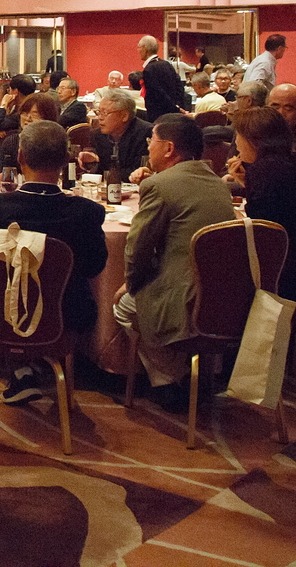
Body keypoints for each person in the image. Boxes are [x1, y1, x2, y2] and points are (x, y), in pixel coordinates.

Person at [0, 120, 108, 402]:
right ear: (66, 160)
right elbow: (95, 266)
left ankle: (22, 369)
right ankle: (34, 367)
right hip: (64, 319)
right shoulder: (86, 212)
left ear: (20, 157)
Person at [113, 114, 235, 411]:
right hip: (225, 295)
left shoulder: (160, 185)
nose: (148, 147)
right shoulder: (217, 182)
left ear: (168, 148)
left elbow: (137, 250)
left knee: (123, 305)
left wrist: (131, 284)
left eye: (151, 141)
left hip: (185, 297)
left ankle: (167, 380)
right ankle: (192, 378)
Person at [224, 107, 296, 302]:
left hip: (290, 273)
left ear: (254, 140)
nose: (237, 144)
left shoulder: (264, 171)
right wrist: (246, 182)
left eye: (238, 136)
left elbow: (264, 231)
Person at [79, 89, 151, 182]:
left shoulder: (145, 133)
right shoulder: (97, 135)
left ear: (124, 116)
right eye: (99, 112)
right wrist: (91, 161)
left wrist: (108, 175)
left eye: (105, 113)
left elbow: (139, 171)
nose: (100, 117)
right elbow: (98, 171)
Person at [139, 35, 187, 120]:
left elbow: (158, 93)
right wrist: (177, 106)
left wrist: (175, 108)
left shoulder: (149, 69)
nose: (138, 50)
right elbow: (179, 86)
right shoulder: (167, 64)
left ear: (145, 49)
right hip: (173, 112)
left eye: (139, 47)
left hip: (158, 115)